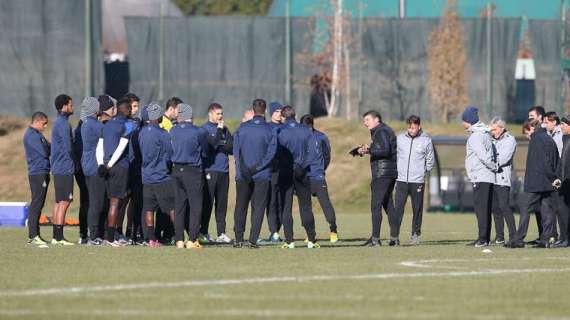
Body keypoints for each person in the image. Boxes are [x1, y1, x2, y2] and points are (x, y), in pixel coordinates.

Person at [507, 119, 560, 248]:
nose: (527, 136)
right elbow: (555, 160)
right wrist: (554, 177)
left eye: (526, 133)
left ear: (531, 128)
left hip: (536, 182)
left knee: (525, 208)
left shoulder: (536, 139)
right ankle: (545, 239)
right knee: (546, 210)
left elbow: (543, 162)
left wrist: (550, 176)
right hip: (548, 182)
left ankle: (519, 239)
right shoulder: (549, 139)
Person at [232, 99, 277, 248]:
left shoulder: (242, 128)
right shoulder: (270, 129)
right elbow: (271, 152)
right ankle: (253, 240)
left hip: (243, 174)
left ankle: (238, 239)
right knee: (258, 207)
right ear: (264, 111)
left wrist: (243, 167)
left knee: (241, 206)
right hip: (262, 175)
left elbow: (236, 151)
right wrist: (258, 167)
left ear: (253, 109)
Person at [278, 106, 319, 249]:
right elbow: (313, 153)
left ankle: (289, 241)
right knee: (306, 206)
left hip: (285, 171)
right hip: (302, 172)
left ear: (283, 117)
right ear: (295, 116)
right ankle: (311, 240)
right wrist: (303, 165)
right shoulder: (306, 130)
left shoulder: (280, 131)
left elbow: (277, 153)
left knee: (286, 207)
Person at [358, 111, 397, 247]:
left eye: (367, 119)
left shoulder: (381, 131)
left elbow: (385, 150)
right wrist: (363, 150)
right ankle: (394, 238)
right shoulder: (382, 130)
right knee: (388, 205)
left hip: (383, 173)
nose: (365, 123)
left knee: (376, 205)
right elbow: (383, 149)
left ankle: (375, 239)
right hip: (388, 172)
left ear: (377, 120)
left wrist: (369, 150)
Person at [170, 103, 208, 249]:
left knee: (179, 206)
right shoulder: (198, 131)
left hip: (176, 170)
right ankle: (192, 239)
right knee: (195, 206)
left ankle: (179, 239)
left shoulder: (173, 130)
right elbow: (204, 151)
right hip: (192, 170)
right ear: (190, 116)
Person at [100, 96, 136, 247]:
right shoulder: (128, 125)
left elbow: (100, 145)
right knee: (115, 203)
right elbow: (122, 146)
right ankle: (110, 239)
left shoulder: (106, 124)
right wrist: (110, 165)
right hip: (119, 166)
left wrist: (102, 164)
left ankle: (108, 236)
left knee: (110, 202)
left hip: (106, 165)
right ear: (126, 110)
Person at [393, 115, 434, 245]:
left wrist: (422, 173)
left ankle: (415, 234)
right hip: (401, 180)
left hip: (417, 181)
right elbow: (395, 156)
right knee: (398, 209)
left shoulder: (426, 140)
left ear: (419, 127)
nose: (411, 130)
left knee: (417, 209)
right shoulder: (399, 139)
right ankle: (394, 236)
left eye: (414, 127)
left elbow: (430, 161)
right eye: (409, 127)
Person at [139, 103, 175, 248]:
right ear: (158, 117)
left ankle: (151, 239)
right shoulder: (162, 133)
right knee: (172, 207)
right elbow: (170, 153)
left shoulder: (141, 132)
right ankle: (179, 236)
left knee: (149, 209)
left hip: (146, 177)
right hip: (161, 176)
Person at [300, 114, 338, 243]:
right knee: (306, 207)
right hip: (304, 178)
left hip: (318, 177)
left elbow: (327, 156)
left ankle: (333, 230)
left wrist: (321, 169)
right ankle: (310, 234)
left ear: (312, 126)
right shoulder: (299, 138)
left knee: (325, 204)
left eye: (308, 128)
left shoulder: (321, 137)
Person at [462, 106, 497, 247]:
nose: (462, 123)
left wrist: (493, 167)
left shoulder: (476, 136)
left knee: (481, 209)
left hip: (481, 177)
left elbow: (484, 156)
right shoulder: (483, 133)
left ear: (468, 121)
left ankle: (483, 239)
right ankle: (484, 238)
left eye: (463, 120)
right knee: (484, 209)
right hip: (484, 176)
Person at [200, 103, 233, 244]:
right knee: (207, 203)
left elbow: (231, 148)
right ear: (210, 114)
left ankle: (221, 233)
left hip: (224, 171)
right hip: (210, 171)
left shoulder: (225, 130)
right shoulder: (204, 130)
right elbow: (211, 146)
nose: (220, 116)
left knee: (221, 205)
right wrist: (219, 138)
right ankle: (204, 232)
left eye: (221, 114)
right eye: (218, 113)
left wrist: (220, 143)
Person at [154, 97, 182, 243]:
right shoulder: (163, 123)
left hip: (168, 168)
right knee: (164, 204)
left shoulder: (172, 123)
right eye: (178, 110)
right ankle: (161, 234)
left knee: (168, 203)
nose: (180, 113)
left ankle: (166, 234)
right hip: (164, 169)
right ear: (171, 109)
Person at [79, 97, 106, 245]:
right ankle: (94, 235)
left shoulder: (85, 123)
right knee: (97, 203)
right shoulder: (96, 125)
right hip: (96, 166)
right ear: (96, 110)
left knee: (92, 201)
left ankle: (92, 234)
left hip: (87, 165)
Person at [50, 94, 75, 245]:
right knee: (65, 201)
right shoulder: (64, 124)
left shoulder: (58, 122)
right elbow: (68, 147)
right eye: (71, 104)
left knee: (59, 201)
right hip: (65, 168)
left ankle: (56, 236)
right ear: (64, 106)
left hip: (58, 168)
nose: (72, 107)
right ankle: (59, 237)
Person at [488, 117, 517, 245]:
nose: (492, 131)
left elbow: (504, 158)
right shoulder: (490, 140)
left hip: (502, 179)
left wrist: (489, 162)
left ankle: (513, 236)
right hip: (491, 178)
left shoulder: (510, 140)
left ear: (502, 128)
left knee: (504, 207)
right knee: (495, 208)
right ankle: (499, 236)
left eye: (494, 129)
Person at [23, 112, 50, 246]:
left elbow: (48, 148)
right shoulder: (31, 135)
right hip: (37, 173)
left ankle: (35, 235)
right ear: (38, 121)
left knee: (39, 203)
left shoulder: (38, 134)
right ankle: (33, 235)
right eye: (44, 123)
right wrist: (47, 146)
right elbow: (45, 151)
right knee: (36, 203)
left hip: (42, 171)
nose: (45, 126)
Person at [263, 101, 284, 243]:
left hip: (285, 169)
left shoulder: (286, 127)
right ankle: (273, 231)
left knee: (282, 202)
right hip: (271, 170)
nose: (279, 114)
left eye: (281, 111)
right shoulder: (268, 128)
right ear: (271, 113)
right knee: (271, 201)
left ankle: (277, 230)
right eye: (276, 111)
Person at [553, 115, 570, 248]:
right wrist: (558, 177)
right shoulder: (565, 138)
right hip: (564, 182)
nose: (561, 126)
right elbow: (562, 161)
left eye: (564, 124)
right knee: (562, 209)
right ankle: (564, 237)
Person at [72, 115, 89, 244]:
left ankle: (83, 234)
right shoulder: (82, 132)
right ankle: (87, 233)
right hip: (85, 171)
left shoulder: (76, 131)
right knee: (90, 202)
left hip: (80, 170)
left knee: (85, 202)